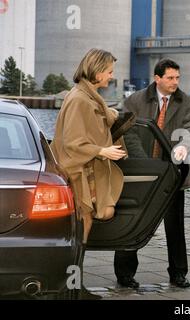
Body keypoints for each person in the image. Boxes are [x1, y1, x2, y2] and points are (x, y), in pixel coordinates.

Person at [113, 59, 190, 289]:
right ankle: (125, 274)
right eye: (170, 78)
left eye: (177, 78)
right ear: (157, 78)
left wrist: (183, 147)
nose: (175, 82)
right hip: (141, 172)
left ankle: (178, 273)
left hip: (172, 173)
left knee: (175, 226)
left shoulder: (188, 103)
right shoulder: (134, 100)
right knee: (131, 222)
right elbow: (127, 132)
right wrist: (145, 163)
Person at [50, 48, 127, 298]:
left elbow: (99, 117)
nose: (110, 77)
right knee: (81, 228)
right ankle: (72, 289)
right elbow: (73, 141)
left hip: (83, 170)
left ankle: (73, 287)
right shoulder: (80, 99)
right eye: (109, 72)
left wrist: (112, 116)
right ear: (96, 71)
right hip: (77, 173)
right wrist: (103, 151)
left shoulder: (87, 96)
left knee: (84, 226)